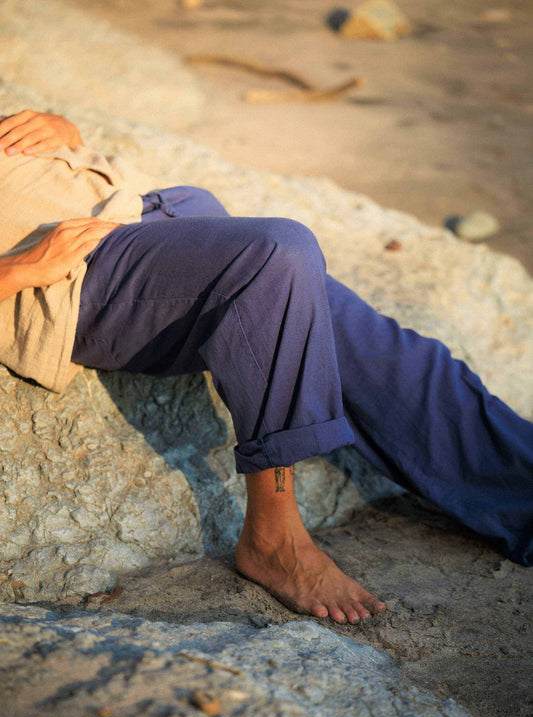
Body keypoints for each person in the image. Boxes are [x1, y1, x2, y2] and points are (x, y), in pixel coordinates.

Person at [1, 110, 532, 625]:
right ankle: (273, 538)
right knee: (280, 250)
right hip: (78, 275)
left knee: (391, 358)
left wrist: (63, 132)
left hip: (159, 213)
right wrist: (20, 267)